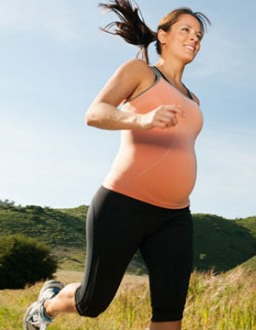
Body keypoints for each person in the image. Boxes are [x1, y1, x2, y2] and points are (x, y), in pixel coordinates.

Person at [23, 1, 210, 329]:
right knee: (92, 302)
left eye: (199, 35)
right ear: (162, 36)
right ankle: (48, 304)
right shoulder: (140, 72)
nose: (194, 38)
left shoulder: (194, 100)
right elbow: (95, 113)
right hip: (122, 204)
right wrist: (142, 118)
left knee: (170, 313)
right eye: (186, 30)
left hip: (175, 216)